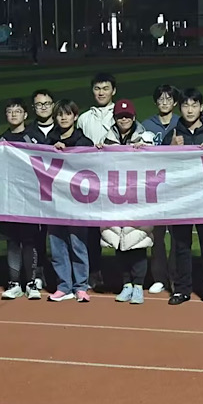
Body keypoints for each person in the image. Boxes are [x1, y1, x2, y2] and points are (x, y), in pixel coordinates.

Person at [162, 88, 203, 308]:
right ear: (180, 108)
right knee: (181, 245)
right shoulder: (173, 135)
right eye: (186, 105)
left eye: (194, 105)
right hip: (181, 198)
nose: (190, 110)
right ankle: (182, 289)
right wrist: (170, 149)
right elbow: (160, 165)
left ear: (201, 107)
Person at [97, 99, 155, 304]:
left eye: (127, 116)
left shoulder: (145, 137)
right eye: (120, 117)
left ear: (134, 117)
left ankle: (138, 286)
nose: (124, 120)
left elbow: (157, 161)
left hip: (138, 199)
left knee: (137, 242)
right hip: (114, 199)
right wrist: (97, 151)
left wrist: (146, 149)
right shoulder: (107, 139)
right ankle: (126, 284)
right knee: (119, 243)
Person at [46, 99, 93, 302]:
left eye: (68, 114)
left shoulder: (84, 142)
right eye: (60, 114)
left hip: (77, 202)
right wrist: (52, 151)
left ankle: (81, 286)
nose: (63, 118)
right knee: (57, 245)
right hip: (54, 201)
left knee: (78, 244)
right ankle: (63, 286)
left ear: (75, 116)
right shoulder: (48, 142)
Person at [0, 98, 41, 300]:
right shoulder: (1, 140)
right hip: (8, 199)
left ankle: (31, 283)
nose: (13, 114)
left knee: (29, 241)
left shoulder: (34, 137)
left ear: (25, 114)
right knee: (12, 241)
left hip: (29, 199)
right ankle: (14, 283)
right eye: (10, 111)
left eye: (18, 111)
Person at [77, 73, 117, 291]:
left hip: (114, 180)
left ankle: (124, 274)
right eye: (97, 88)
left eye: (105, 88)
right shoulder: (84, 118)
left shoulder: (121, 114)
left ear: (113, 91)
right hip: (89, 182)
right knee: (91, 232)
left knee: (119, 228)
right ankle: (93, 272)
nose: (101, 92)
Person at [141, 84, 180, 294]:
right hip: (154, 188)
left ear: (175, 102)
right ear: (156, 102)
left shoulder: (180, 123)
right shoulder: (146, 125)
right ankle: (159, 277)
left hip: (176, 187)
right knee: (156, 235)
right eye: (161, 99)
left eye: (169, 99)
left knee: (177, 236)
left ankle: (175, 276)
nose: (164, 103)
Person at [25, 89, 58, 291]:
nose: (43, 107)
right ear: (33, 108)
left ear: (53, 105)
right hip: (34, 194)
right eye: (39, 104)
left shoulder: (63, 129)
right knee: (36, 236)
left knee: (58, 237)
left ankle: (59, 276)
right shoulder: (27, 132)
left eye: (47, 103)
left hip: (59, 194)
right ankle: (37, 274)